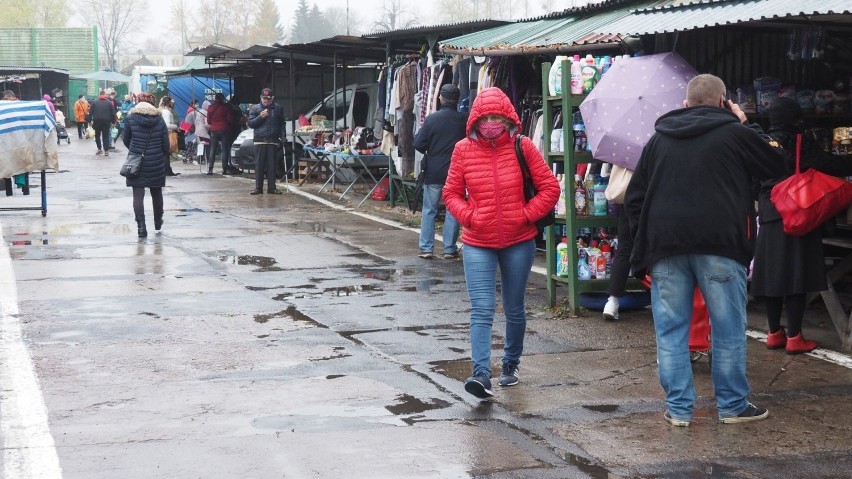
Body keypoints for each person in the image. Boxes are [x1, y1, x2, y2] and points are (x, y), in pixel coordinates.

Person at [624, 74, 787, 427]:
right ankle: (731, 406)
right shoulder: (736, 133)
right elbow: (779, 164)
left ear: (685, 103)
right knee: (727, 329)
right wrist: (747, 122)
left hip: (665, 247)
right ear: (723, 101)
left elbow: (634, 200)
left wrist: (648, 239)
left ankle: (680, 411)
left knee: (671, 333)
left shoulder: (658, 140)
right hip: (721, 245)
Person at [443, 87, 560, 399]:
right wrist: (469, 216)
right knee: (481, 308)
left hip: (518, 241)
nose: (492, 122)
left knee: (514, 307)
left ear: (509, 117)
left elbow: (550, 187)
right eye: (486, 117)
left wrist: (526, 215)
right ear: (475, 119)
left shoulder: (524, 147)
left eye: (497, 116)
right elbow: (451, 193)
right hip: (477, 241)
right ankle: (480, 373)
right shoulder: (462, 150)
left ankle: (511, 362)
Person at [751, 97, 852, 355]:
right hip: (797, 213)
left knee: (773, 274)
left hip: (770, 213)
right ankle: (795, 336)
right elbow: (830, 164)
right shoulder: (801, 142)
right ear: (796, 119)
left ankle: (774, 333)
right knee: (797, 275)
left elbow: (751, 179)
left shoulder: (760, 141)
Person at [413, 84, 466, 260]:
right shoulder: (464, 120)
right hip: (456, 171)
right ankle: (449, 249)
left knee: (430, 209)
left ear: (441, 98)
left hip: (434, 170)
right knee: (453, 210)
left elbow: (418, 144)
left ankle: (426, 248)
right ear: (457, 100)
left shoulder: (431, 119)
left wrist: (433, 149)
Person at [123, 92, 170, 238]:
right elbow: (166, 145)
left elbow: (126, 139)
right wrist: (158, 153)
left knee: (138, 194)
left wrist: (135, 149)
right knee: (156, 193)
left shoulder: (130, 118)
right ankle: (157, 223)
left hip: (136, 162)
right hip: (156, 161)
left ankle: (141, 227)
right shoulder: (159, 120)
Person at [246, 88, 285, 195]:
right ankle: (258, 188)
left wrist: (283, 136)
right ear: (260, 98)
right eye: (264, 98)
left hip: (273, 140)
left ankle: (272, 187)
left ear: (272, 98)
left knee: (272, 165)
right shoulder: (255, 108)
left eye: (268, 98)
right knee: (259, 165)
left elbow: (282, 123)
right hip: (260, 140)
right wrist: (261, 117)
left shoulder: (278, 108)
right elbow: (251, 124)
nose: (266, 100)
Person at [206, 92, 235, 175]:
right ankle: (224, 169)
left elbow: (208, 121)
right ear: (222, 98)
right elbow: (230, 119)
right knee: (224, 150)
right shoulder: (226, 107)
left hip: (214, 130)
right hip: (224, 130)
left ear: (215, 98)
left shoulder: (210, 107)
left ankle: (210, 169)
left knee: (212, 150)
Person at [158, 96, 179, 176]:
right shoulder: (166, 112)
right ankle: (167, 170)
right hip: (167, 134)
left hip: (163, 134)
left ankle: (167, 170)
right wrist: (176, 127)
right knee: (166, 153)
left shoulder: (161, 110)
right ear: (169, 102)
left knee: (166, 153)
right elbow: (166, 125)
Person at [90, 90, 116, 156]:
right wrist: (113, 121)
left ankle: (99, 149)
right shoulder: (109, 103)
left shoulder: (94, 102)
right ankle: (106, 151)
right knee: (106, 136)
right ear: (105, 95)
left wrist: (89, 121)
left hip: (97, 122)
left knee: (97, 136)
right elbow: (113, 113)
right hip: (106, 122)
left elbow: (90, 113)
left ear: (99, 95)